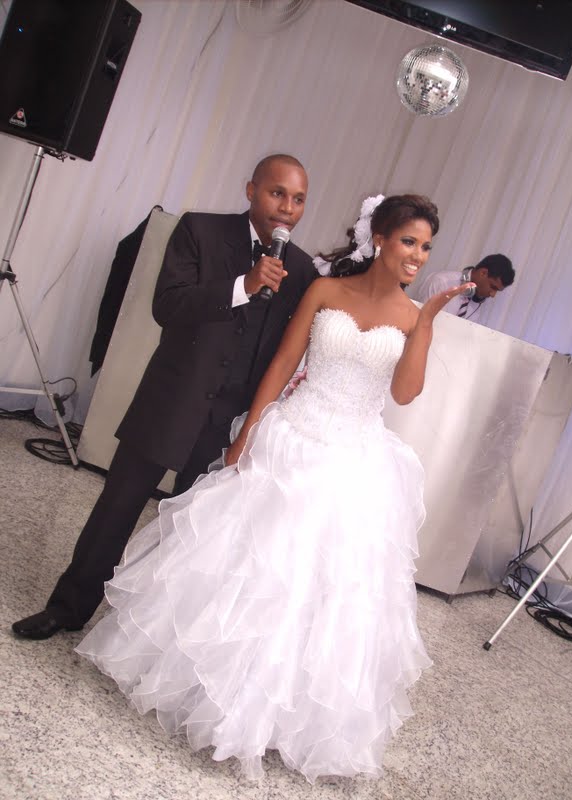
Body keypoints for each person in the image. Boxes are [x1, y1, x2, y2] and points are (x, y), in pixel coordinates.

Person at [73, 193, 473, 783]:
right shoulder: (326, 290)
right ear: (380, 240)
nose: (419, 255)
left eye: (427, 247)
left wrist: (429, 321)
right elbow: (283, 363)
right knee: (250, 566)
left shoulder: (414, 316)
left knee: (322, 590)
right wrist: (248, 433)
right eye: (410, 241)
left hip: (354, 461)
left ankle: (280, 720)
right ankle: (210, 690)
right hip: (292, 435)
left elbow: (405, 393)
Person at [12, 153, 315, 640]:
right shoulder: (199, 230)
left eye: (298, 199)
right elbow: (167, 305)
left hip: (228, 421)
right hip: (171, 401)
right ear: (251, 190)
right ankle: (67, 608)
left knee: (188, 529)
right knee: (117, 509)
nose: (287, 208)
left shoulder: (302, 270)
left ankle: (140, 632)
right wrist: (244, 285)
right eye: (277, 193)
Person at [411, 253, 515, 320]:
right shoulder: (441, 282)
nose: (492, 294)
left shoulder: (477, 301)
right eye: (493, 287)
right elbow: (419, 319)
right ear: (483, 273)